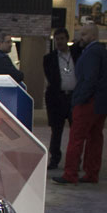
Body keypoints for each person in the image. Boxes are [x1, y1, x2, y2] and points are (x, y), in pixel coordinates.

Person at [53, 24, 107, 184]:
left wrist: (79, 99)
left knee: (77, 138)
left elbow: (89, 79)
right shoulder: (103, 52)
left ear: (93, 36)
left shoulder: (92, 53)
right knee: (95, 138)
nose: (81, 38)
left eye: (84, 34)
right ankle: (91, 173)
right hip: (101, 102)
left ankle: (70, 173)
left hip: (88, 102)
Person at [42, 27, 81, 170]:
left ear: (67, 39)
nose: (59, 42)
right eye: (57, 39)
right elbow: (51, 79)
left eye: (62, 39)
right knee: (56, 132)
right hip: (57, 99)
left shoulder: (76, 54)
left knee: (76, 131)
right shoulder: (49, 58)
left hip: (73, 98)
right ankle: (55, 159)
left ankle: (75, 160)